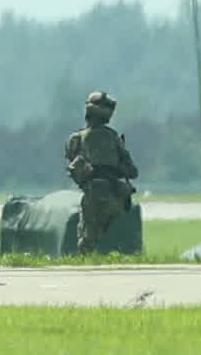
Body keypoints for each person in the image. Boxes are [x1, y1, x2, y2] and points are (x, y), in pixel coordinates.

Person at [59, 91, 143, 257]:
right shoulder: (114, 137)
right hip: (115, 197)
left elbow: (71, 163)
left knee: (87, 237)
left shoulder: (76, 138)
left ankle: (86, 260)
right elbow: (132, 171)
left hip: (92, 193)